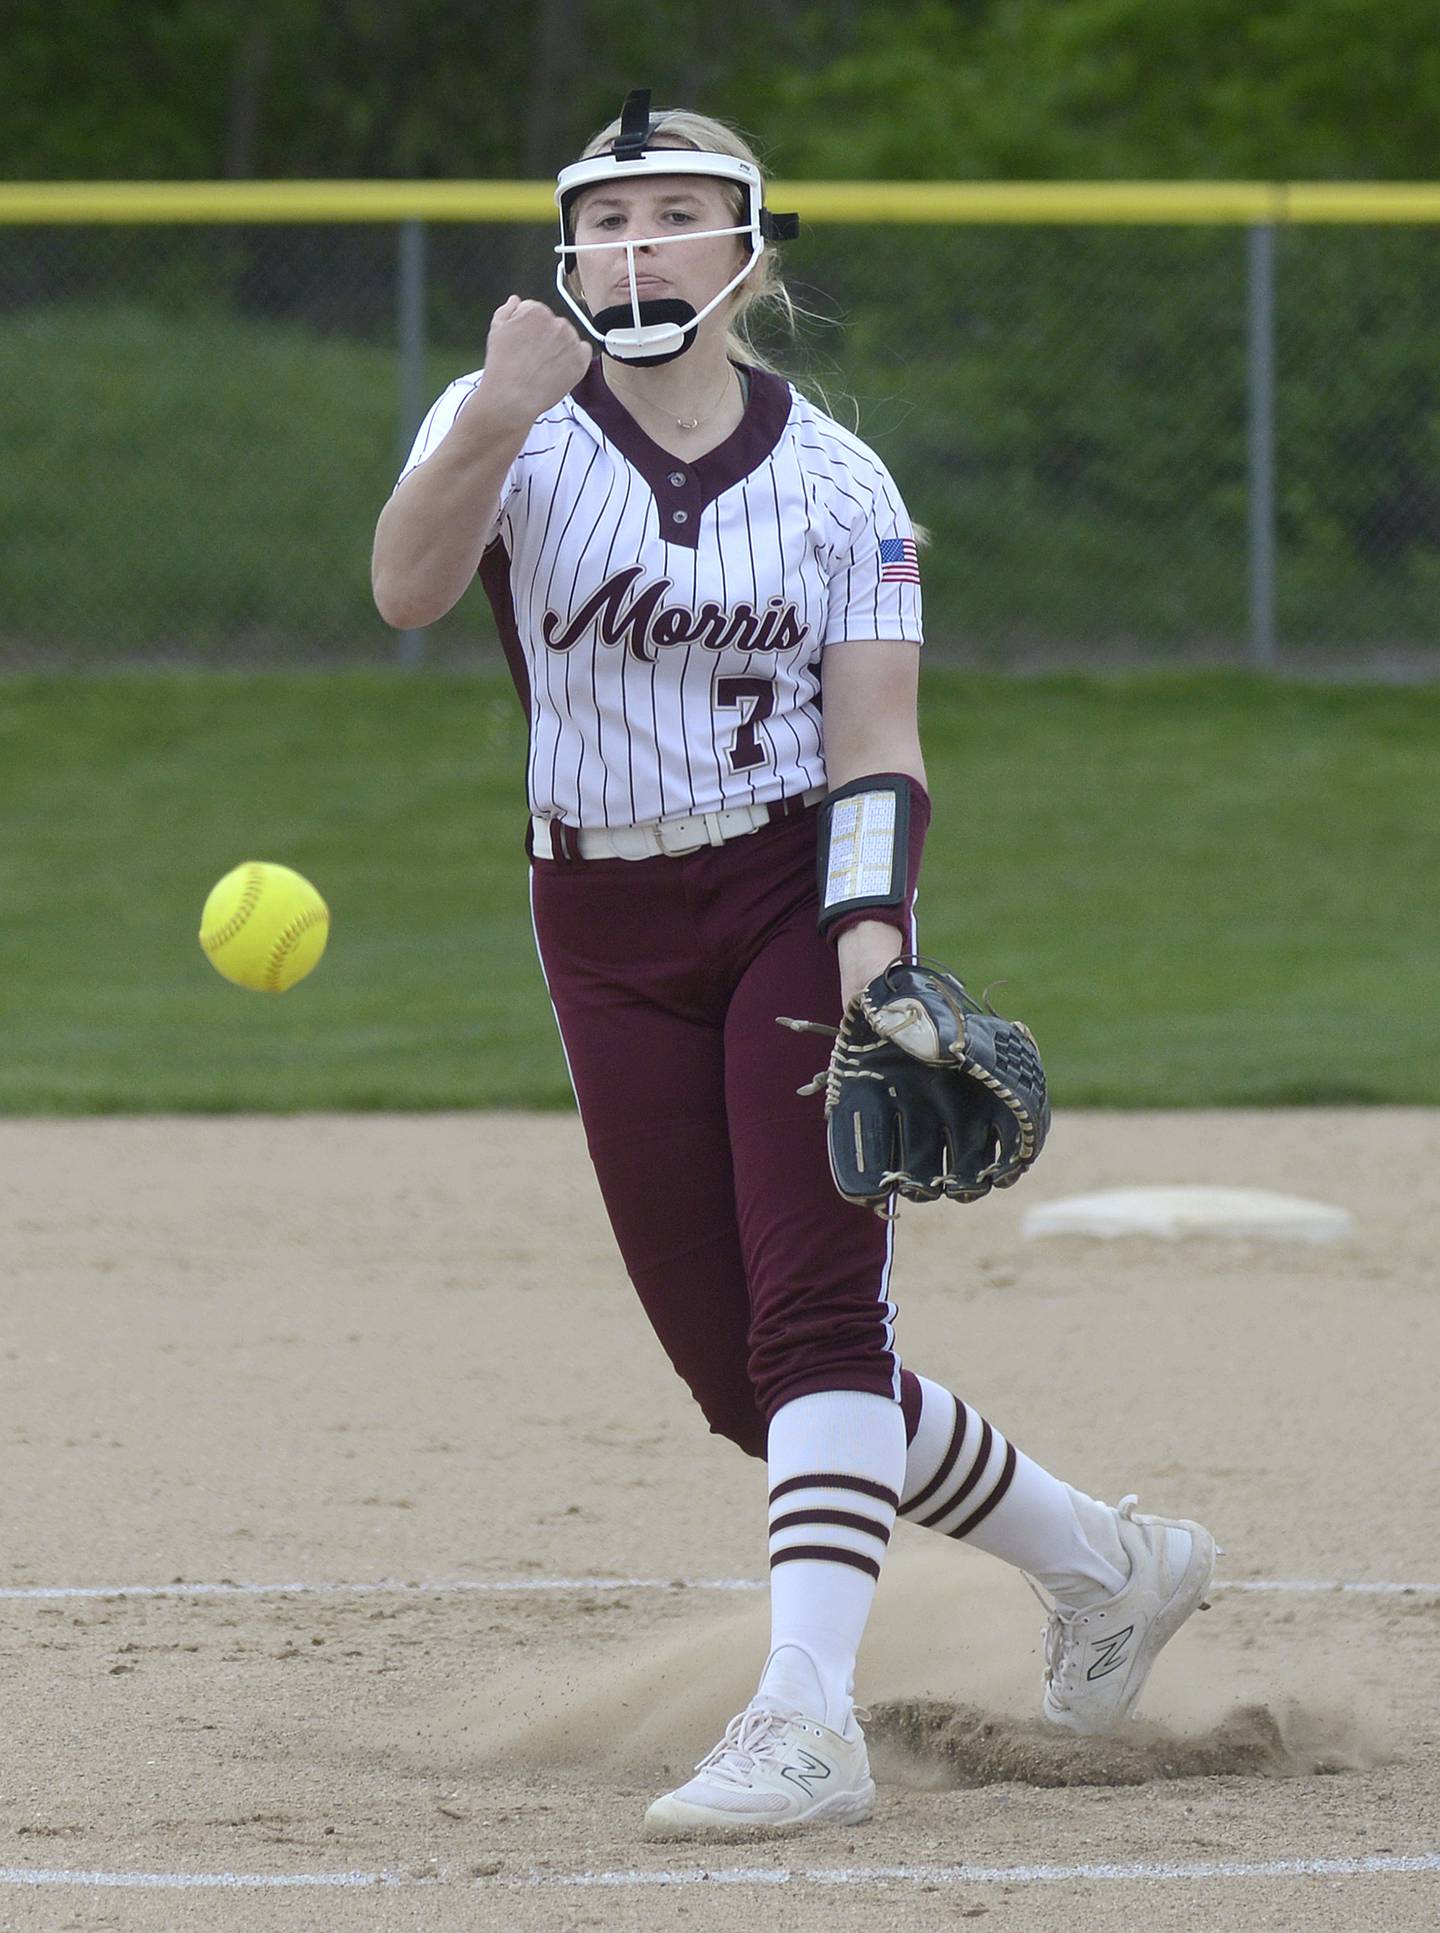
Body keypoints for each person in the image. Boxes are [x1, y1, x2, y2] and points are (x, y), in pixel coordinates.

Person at [372, 89, 1216, 1840]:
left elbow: (879, 750)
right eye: (605, 219)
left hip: (779, 897)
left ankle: (805, 1715)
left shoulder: (842, 481)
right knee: (736, 1373)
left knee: (821, 1316)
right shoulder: (507, 419)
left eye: (672, 213)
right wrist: (492, 420)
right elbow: (404, 588)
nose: (633, 247)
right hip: (592, 920)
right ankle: (1110, 1563)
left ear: (749, 247)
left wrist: (871, 954)